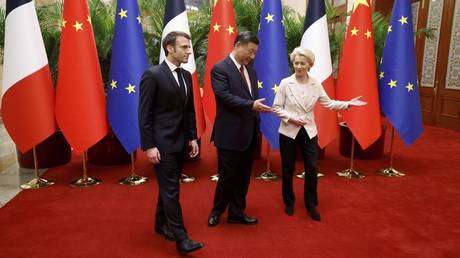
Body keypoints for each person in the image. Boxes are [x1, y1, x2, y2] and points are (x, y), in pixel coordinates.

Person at [272, 47, 366, 221]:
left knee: (312, 168)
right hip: (288, 132)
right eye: (296, 63)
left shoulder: (316, 84)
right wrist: (291, 118)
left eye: (302, 63)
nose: (299, 66)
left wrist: (348, 104)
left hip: (309, 131)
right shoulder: (286, 83)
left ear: (310, 64)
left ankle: (311, 204)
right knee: (287, 169)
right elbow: (276, 107)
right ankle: (289, 202)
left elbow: (329, 103)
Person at [139, 31, 203, 253]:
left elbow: (189, 111)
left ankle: (160, 223)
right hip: (162, 144)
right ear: (170, 48)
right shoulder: (153, 75)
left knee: (169, 187)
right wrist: (149, 145)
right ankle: (182, 238)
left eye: (189, 47)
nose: (189, 51)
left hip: (181, 142)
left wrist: (193, 137)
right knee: (172, 190)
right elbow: (144, 115)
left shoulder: (186, 76)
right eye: (184, 47)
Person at [207, 31, 272, 227]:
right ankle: (217, 211)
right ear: (238, 46)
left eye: (255, 53)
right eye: (250, 52)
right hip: (229, 133)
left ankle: (237, 212)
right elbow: (223, 97)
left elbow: (253, 98)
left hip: (249, 132)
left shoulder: (250, 70)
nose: (252, 57)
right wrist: (252, 105)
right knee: (227, 176)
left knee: (244, 177)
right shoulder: (220, 68)